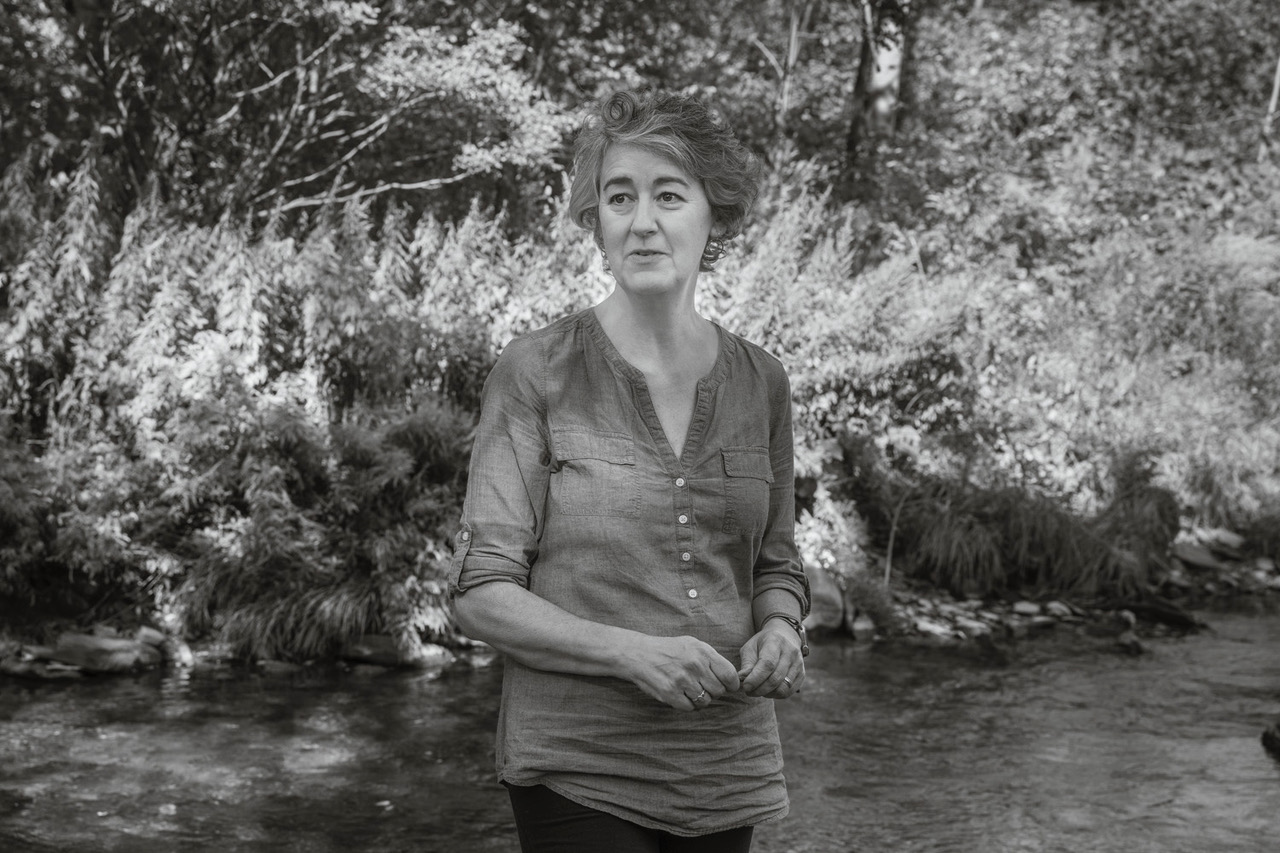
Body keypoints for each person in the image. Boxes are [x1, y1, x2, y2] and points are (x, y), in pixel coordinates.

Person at [449, 88, 811, 852]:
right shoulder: (535, 370)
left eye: (668, 195)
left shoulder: (764, 383)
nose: (642, 220)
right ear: (598, 220)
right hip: (576, 764)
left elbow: (776, 564)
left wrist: (782, 626)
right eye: (620, 197)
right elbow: (481, 596)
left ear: (714, 214)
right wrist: (632, 653)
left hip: (725, 766)